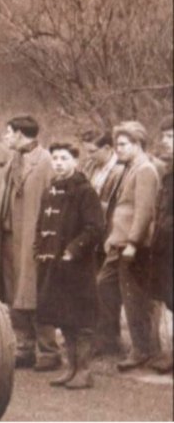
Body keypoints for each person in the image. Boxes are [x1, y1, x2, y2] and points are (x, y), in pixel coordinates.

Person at [0, 115, 60, 370]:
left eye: (8, 133)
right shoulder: (13, 159)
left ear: (19, 134)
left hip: (31, 239)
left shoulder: (45, 162)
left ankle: (49, 351)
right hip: (9, 238)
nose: (5, 138)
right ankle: (24, 347)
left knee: (35, 292)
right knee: (13, 293)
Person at [34, 142, 104, 389]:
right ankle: (70, 368)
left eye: (64, 158)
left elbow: (95, 228)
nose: (59, 163)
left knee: (81, 318)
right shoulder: (50, 190)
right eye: (55, 158)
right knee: (63, 317)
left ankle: (84, 371)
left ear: (76, 160)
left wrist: (73, 250)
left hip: (77, 267)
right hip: (52, 265)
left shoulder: (85, 191)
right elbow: (41, 225)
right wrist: (38, 250)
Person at [103, 121, 161, 371]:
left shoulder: (145, 170)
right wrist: (112, 237)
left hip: (133, 247)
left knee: (135, 299)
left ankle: (143, 350)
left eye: (124, 144)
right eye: (116, 144)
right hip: (118, 243)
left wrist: (133, 243)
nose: (118, 149)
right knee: (103, 285)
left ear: (138, 145)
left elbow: (144, 211)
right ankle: (112, 340)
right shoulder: (128, 169)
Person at [79, 129, 127, 356]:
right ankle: (95, 336)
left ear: (108, 149)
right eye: (86, 151)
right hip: (91, 236)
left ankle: (108, 340)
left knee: (107, 289)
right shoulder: (90, 167)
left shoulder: (120, 171)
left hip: (109, 236)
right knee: (91, 286)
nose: (89, 156)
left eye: (93, 151)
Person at [149, 117, 173, 373]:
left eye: (171, 137)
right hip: (167, 246)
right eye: (165, 136)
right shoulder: (168, 171)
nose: (165, 141)